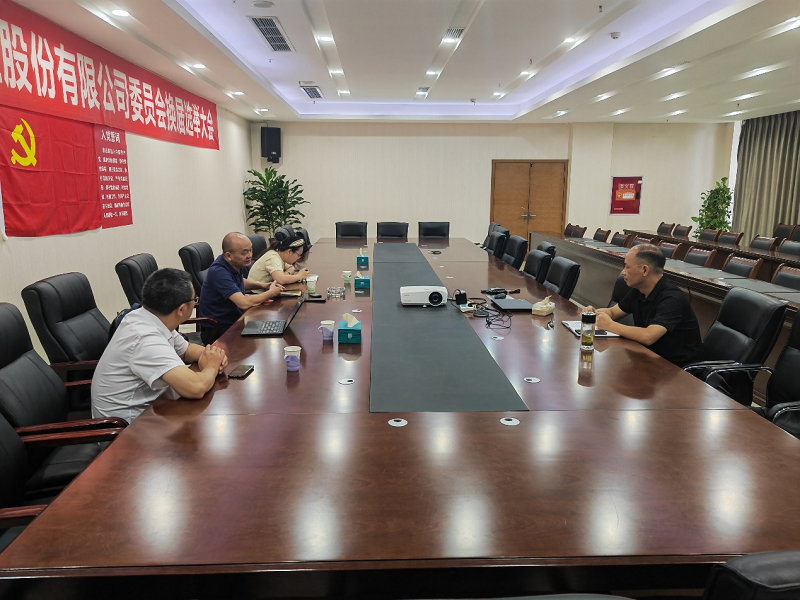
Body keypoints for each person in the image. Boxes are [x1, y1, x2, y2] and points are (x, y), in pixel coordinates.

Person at [91, 269, 228, 423]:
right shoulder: (145, 338)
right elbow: (196, 388)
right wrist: (211, 367)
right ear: (181, 309)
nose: (196, 301)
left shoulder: (149, 317)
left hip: (153, 408)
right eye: (195, 299)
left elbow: (186, 350)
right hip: (126, 428)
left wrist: (213, 356)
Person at [583, 243, 701, 366]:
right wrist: (592, 313)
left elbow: (648, 336)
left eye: (627, 267)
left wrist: (610, 325)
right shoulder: (639, 290)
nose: (623, 272)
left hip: (677, 369)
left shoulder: (672, 299)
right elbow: (613, 312)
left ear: (645, 270)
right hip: (649, 358)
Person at [198, 232, 284, 343]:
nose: (249, 255)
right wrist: (271, 293)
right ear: (229, 256)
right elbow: (243, 303)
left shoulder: (234, 263)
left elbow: (237, 281)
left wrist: (262, 285)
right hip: (217, 330)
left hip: (236, 320)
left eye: (250, 250)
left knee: (273, 325)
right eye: (244, 252)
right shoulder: (219, 272)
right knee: (267, 339)